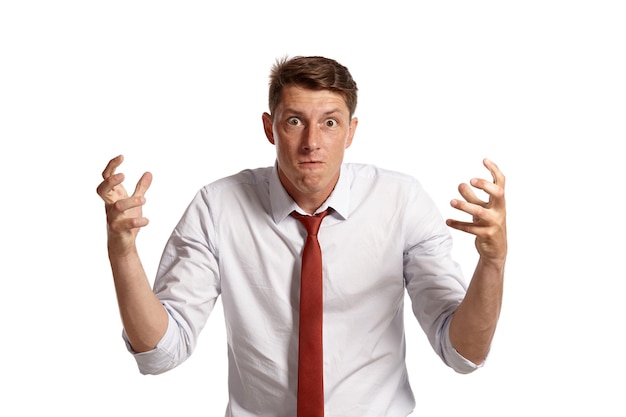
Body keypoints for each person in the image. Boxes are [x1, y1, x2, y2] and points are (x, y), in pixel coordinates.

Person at [96, 55, 507, 417]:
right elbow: (161, 352)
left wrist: (493, 263)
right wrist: (122, 252)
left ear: (351, 132)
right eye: (294, 121)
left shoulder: (401, 202)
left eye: (330, 123)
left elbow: (463, 353)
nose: (312, 142)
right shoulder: (216, 207)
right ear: (269, 127)